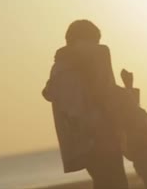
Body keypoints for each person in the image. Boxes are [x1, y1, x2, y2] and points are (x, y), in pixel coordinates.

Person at [42, 20, 128, 189]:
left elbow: (49, 94)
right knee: (114, 182)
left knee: (105, 182)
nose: (97, 45)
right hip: (99, 136)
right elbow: (102, 95)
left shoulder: (60, 68)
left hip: (84, 141)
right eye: (94, 41)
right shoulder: (93, 57)